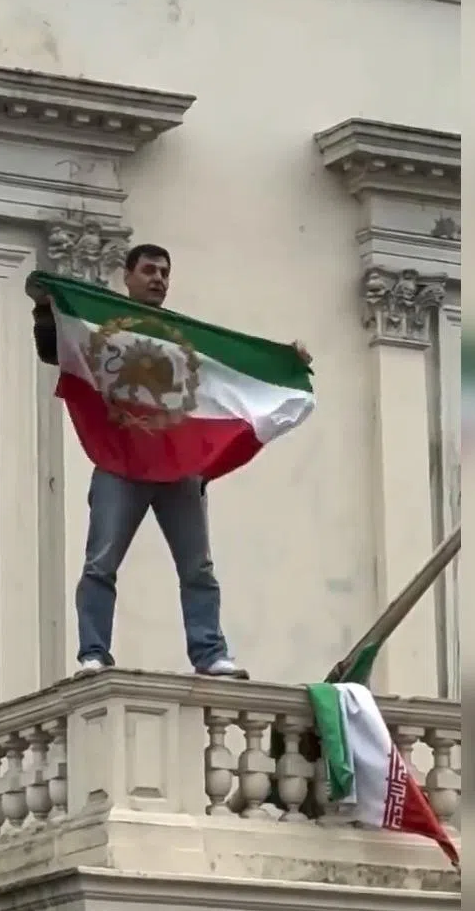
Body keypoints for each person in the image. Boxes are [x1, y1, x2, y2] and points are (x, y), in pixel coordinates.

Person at [31, 243, 311, 678]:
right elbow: (56, 350)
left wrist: (282, 363)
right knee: (101, 563)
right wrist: (45, 311)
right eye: (149, 270)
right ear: (128, 276)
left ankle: (210, 654)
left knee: (198, 567)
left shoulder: (183, 337)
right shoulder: (103, 323)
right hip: (120, 463)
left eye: (164, 272)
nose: (158, 279)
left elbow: (229, 368)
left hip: (177, 467)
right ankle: (93, 653)